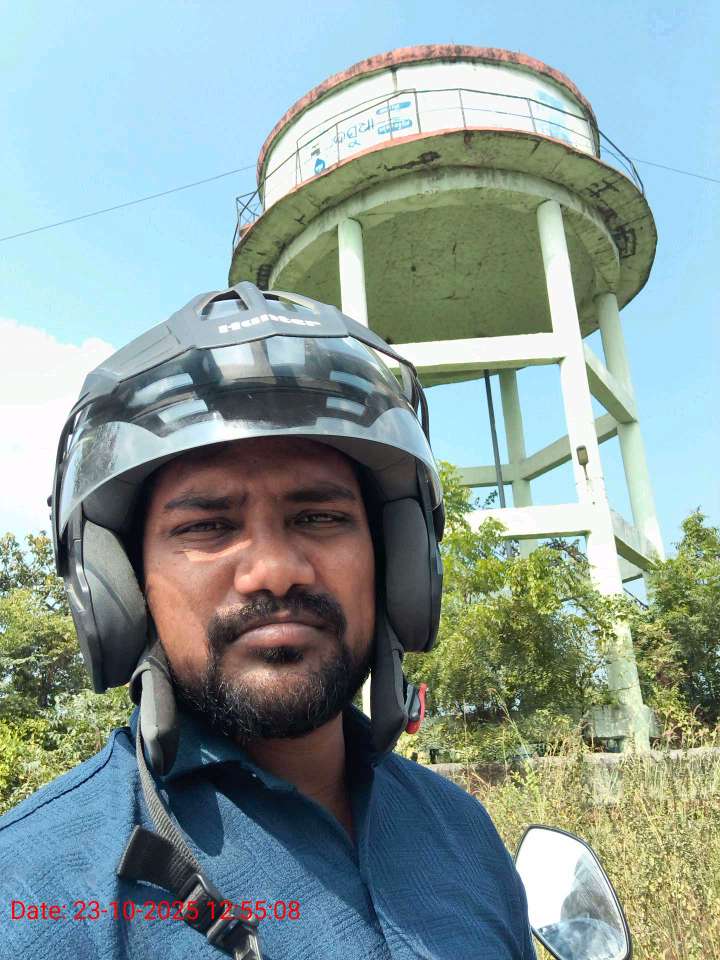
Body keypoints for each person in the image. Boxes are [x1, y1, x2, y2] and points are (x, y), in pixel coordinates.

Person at [0, 283, 536, 959]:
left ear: (396, 562)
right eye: (208, 526)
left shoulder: (465, 836)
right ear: (123, 587)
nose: (275, 571)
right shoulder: (34, 897)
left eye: (320, 517)